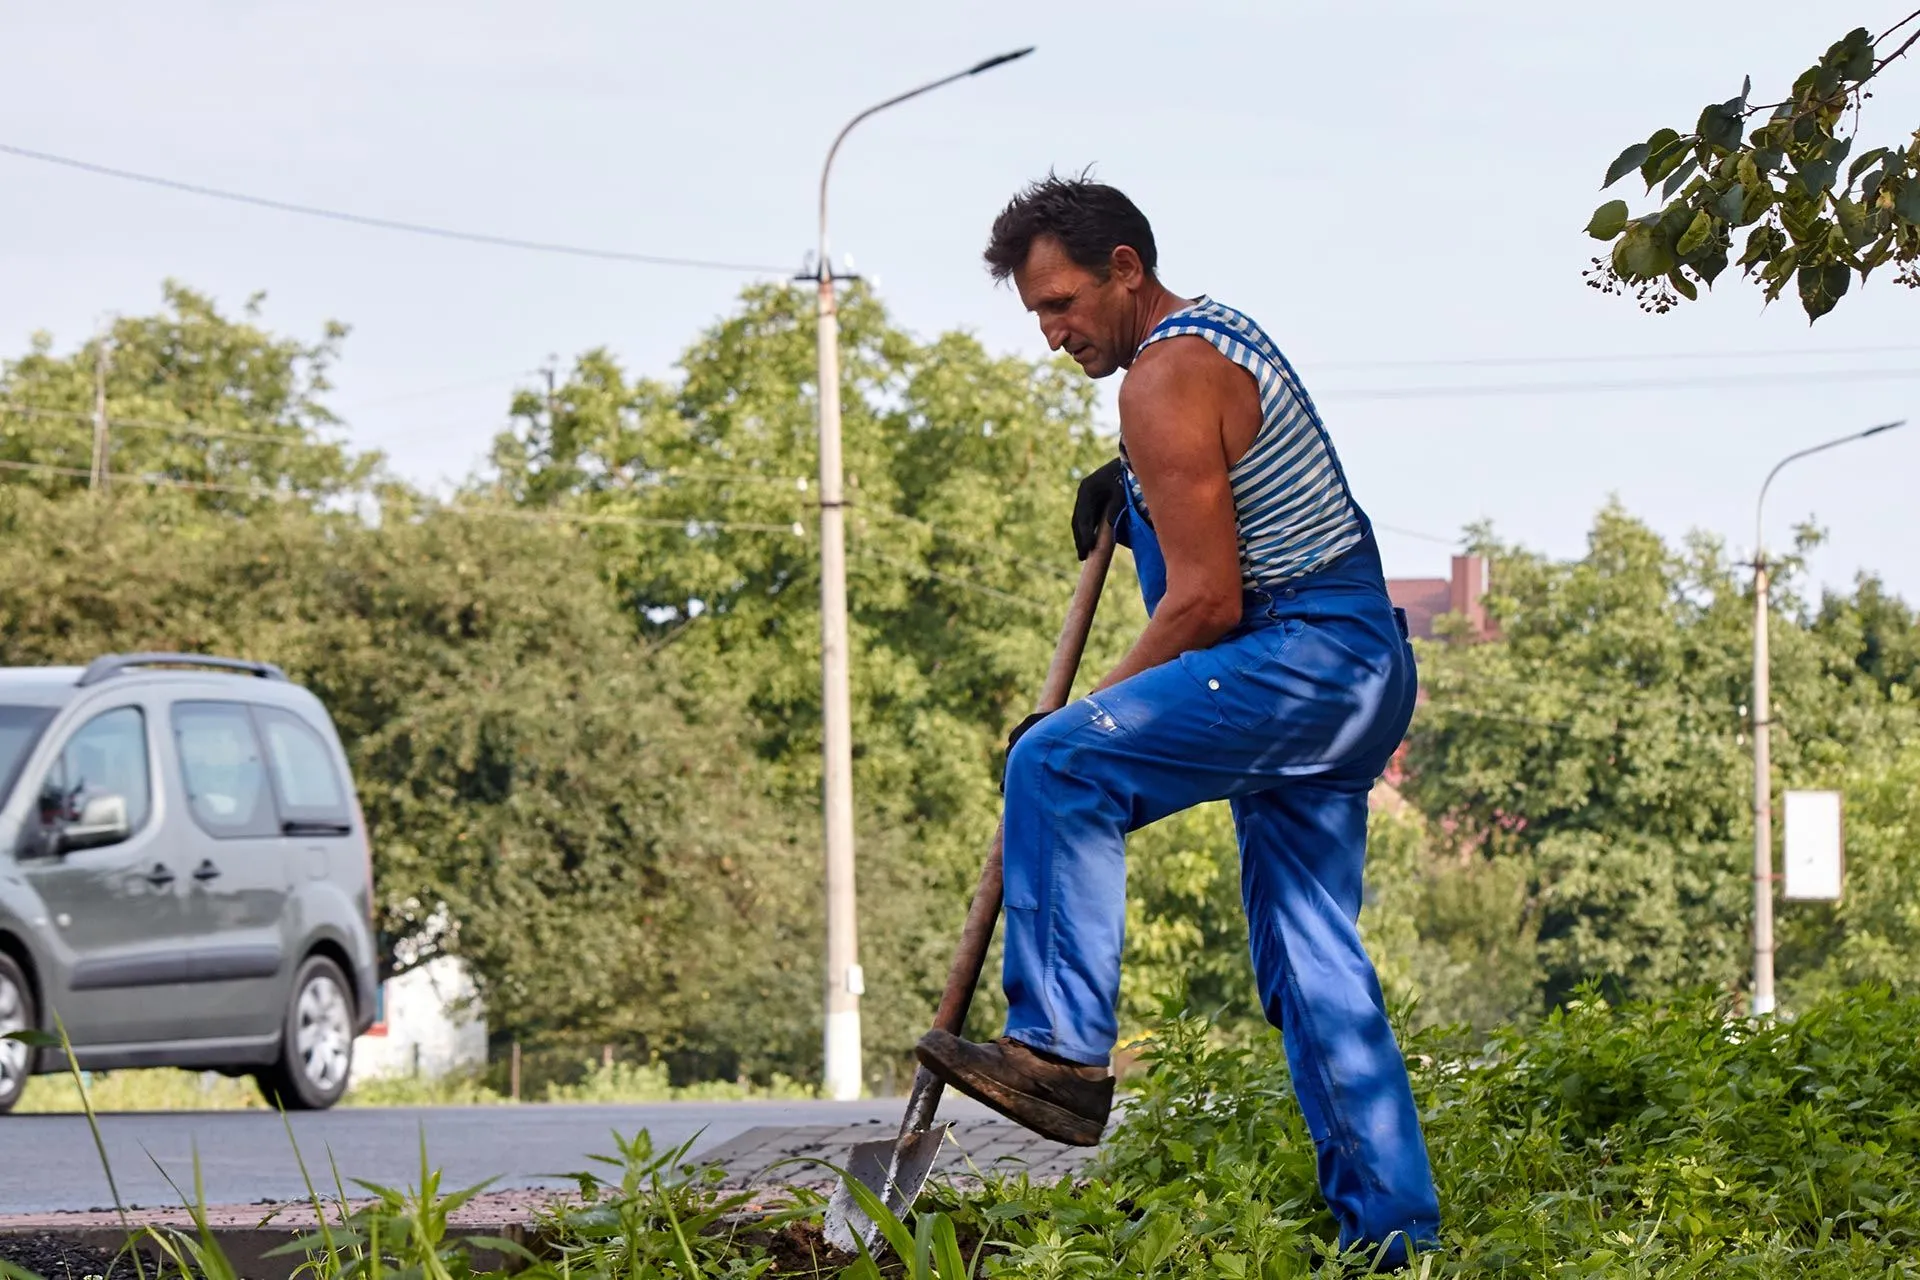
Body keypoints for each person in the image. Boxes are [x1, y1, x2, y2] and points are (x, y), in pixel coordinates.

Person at [912, 175, 1441, 1265]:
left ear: (1124, 268)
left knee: (1060, 763)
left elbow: (1208, 600)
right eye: (1037, 316)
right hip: (1358, 661)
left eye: (1062, 305)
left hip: (1305, 656)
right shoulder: (1215, 337)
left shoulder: (1162, 379)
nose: (1053, 334)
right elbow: (1230, 481)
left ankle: (1059, 1049)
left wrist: (1087, 711)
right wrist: (1139, 485)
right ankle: (1393, 1236)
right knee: (1311, 959)